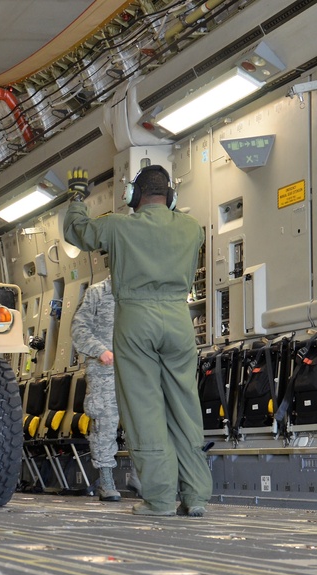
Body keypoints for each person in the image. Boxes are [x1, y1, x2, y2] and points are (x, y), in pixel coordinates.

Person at [62, 165, 211, 517]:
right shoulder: (193, 229)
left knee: (144, 409)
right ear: (171, 197)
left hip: (136, 320)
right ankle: (196, 497)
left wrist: (77, 198)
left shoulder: (118, 225)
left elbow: (78, 232)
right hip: (179, 319)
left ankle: (159, 500)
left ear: (133, 197)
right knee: (185, 408)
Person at [70, 277, 121, 501]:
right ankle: (106, 479)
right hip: (105, 368)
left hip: (135, 368)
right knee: (105, 422)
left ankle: (142, 476)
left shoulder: (137, 292)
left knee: (142, 422)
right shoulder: (97, 292)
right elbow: (79, 327)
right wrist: (99, 350)